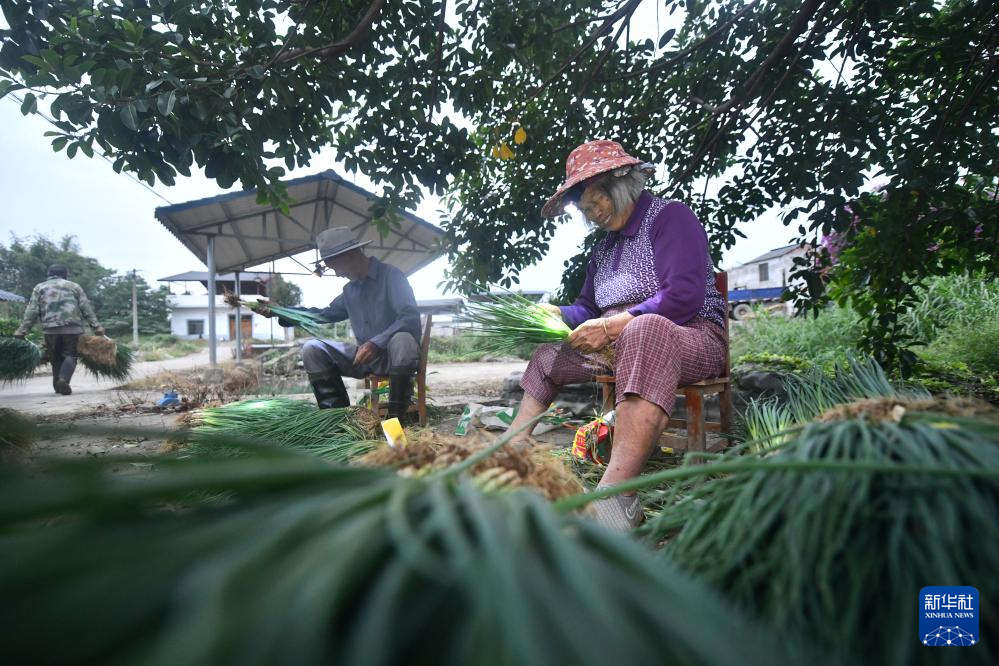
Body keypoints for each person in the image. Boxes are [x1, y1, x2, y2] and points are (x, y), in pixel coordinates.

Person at [506, 140, 728, 531]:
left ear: (621, 184)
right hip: (619, 346)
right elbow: (588, 310)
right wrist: (559, 314)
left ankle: (616, 496)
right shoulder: (604, 249)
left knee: (644, 330)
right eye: (586, 210)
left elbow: (683, 297)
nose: (593, 215)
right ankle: (511, 449)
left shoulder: (670, 218)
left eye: (596, 203)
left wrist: (612, 325)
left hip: (692, 336)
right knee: (548, 354)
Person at [256, 227, 421, 419]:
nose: (336, 274)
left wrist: (376, 343)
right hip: (364, 358)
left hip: (396, 358)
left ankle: (397, 420)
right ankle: (338, 421)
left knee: (402, 340)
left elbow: (409, 317)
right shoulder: (349, 292)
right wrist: (280, 310)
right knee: (313, 348)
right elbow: (322, 315)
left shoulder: (391, 276)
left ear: (349, 255)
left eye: (334, 266)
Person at [14, 264, 105, 395]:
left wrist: (23, 330)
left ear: (49, 275)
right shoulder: (74, 286)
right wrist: (96, 326)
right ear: (66, 274)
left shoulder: (40, 287)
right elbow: (86, 308)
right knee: (71, 355)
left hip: (50, 330)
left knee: (55, 357)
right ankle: (64, 380)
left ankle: (58, 387)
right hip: (73, 329)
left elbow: (32, 310)